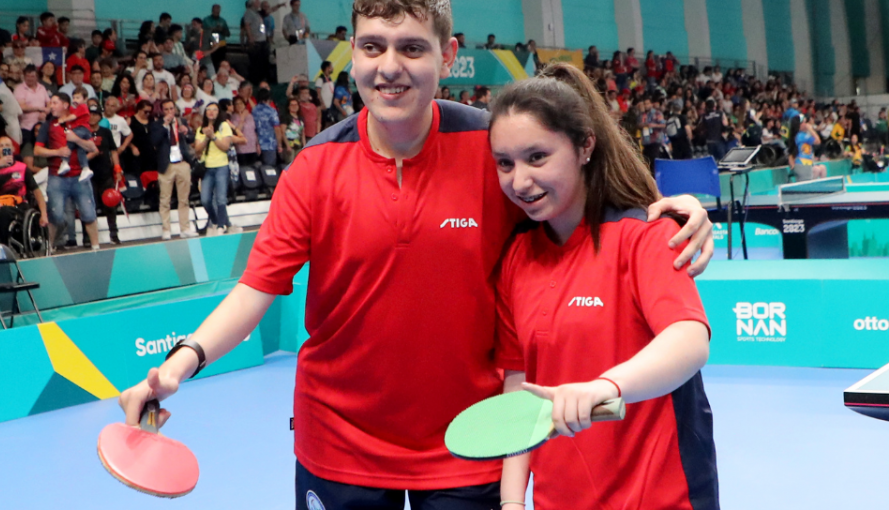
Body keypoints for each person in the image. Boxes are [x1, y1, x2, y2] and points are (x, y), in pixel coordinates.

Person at [116, 3, 714, 510]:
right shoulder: (315, 167)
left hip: (468, 448)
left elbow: (574, 179)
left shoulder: (492, 146)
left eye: (411, 48)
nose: (390, 67)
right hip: (339, 443)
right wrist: (180, 364)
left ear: (448, 55)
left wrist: (670, 206)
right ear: (353, 52)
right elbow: (255, 290)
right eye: (373, 47)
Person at [490, 62, 716, 510]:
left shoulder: (643, 235)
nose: (520, 180)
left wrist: (606, 387)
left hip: (659, 496)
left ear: (584, 146)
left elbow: (689, 338)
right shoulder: (516, 256)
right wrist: (512, 500)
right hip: (560, 498)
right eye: (504, 163)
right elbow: (519, 383)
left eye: (538, 157)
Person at [34, 93, 101, 251]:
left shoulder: (80, 122)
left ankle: (96, 248)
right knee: (55, 215)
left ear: (65, 105)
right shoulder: (48, 125)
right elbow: (37, 150)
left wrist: (76, 140)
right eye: (51, 103)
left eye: (54, 103)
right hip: (57, 177)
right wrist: (57, 152)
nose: (51, 106)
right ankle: (49, 248)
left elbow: (93, 148)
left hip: (79, 176)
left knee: (89, 213)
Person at [0, 136, 49, 245]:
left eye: (7, 145)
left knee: (5, 212)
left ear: (13, 149)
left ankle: (4, 245)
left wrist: (43, 214)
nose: (4, 148)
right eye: (1, 146)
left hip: (18, 205)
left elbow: (37, 191)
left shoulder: (22, 168)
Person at [151, 99, 196, 240]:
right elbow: (154, 142)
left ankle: (185, 228)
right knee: (165, 199)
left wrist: (187, 131)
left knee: (184, 199)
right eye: (166, 109)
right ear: (162, 111)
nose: (170, 112)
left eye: (172, 108)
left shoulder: (181, 121)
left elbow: (191, 139)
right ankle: (166, 229)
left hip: (182, 163)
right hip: (167, 165)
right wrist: (165, 125)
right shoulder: (157, 124)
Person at [194, 102, 241, 235]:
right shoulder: (201, 129)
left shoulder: (224, 126)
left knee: (221, 198)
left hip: (221, 166)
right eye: (209, 109)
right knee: (205, 199)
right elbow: (197, 150)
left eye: (215, 110)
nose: (211, 112)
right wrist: (207, 139)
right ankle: (217, 221)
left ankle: (221, 226)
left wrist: (213, 136)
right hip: (207, 168)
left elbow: (225, 146)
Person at [86, 103, 122, 244]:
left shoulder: (106, 132)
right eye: (90, 114)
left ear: (100, 117)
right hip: (89, 175)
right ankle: (88, 238)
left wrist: (117, 168)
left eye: (95, 114)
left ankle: (114, 234)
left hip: (105, 173)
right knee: (89, 207)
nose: (92, 117)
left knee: (111, 206)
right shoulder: (83, 132)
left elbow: (113, 151)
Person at [55, 86, 95, 181]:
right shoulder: (75, 108)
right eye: (73, 97)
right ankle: (85, 168)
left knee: (69, 143)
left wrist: (63, 120)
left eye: (78, 97)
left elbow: (73, 116)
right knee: (80, 150)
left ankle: (65, 162)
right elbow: (69, 111)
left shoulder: (83, 107)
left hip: (81, 129)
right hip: (83, 131)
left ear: (85, 99)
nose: (75, 100)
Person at [14, 65, 49, 146]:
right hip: (26, 127)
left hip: (42, 126)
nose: (29, 78)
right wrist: (39, 108)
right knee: (28, 152)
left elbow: (49, 104)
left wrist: (45, 113)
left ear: (37, 76)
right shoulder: (19, 89)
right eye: (27, 76)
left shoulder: (42, 88)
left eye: (32, 76)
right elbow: (21, 107)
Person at [788, 115, 826, 181]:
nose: (806, 124)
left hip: (807, 163)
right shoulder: (800, 136)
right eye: (804, 123)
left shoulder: (802, 135)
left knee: (821, 168)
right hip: (802, 163)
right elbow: (817, 141)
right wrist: (810, 129)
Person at [241, 0, 269, 86]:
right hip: (256, 42)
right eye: (257, 2)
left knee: (262, 62)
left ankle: (262, 80)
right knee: (256, 63)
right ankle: (255, 81)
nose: (259, 3)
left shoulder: (257, 13)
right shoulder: (249, 13)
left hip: (261, 40)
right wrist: (250, 37)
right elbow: (247, 25)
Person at [232, 96, 258, 166]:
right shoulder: (233, 117)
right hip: (241, 149)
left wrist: (257, 145)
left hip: (252, 147)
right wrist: (242, 118)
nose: (239, 105)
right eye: (237, 104)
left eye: (241, 103)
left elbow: (254, 131)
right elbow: (237, 131)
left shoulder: (250, 116)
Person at [280, 96, 305, 164]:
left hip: (299, 145)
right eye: (292, 105)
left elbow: (303, 133)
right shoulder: (285, 117)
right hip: (289, 145)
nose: (294, 106)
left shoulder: (301, 118)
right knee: (290, 163)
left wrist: (304, 146)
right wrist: (287, 145)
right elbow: (282, 132)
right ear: (288, 107)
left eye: (296, 104)